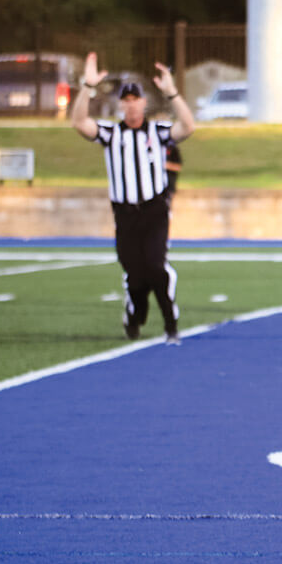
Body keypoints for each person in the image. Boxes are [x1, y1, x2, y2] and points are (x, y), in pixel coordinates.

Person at [71, 52, 195, 345]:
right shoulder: (112, 133)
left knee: (156, 266)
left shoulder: (158, 131)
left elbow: (188, 127)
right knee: (135, 275)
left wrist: (173, 93)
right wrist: (87, 88)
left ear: (143, 102)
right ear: (121, 104)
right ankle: (135, 314)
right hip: (125, 214)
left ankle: (170, 323)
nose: (130, 104)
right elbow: (80, 123)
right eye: (125, 100)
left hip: (153, 210)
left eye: (134, 99)